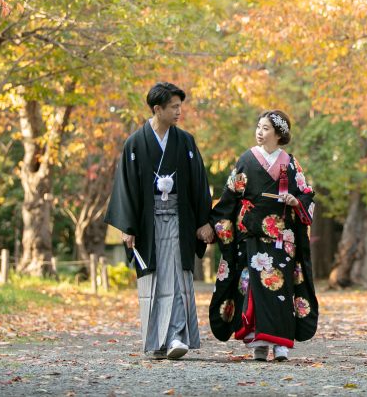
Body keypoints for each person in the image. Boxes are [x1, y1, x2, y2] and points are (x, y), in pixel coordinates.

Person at [104, 82, 214, 359]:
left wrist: (204, 221)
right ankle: (157, 342)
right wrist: (127, 227)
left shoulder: (185, 141)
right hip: (148, 224)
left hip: (180, 219)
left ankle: (177, 337)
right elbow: (125, 187)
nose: (179, 111)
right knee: (154, 279)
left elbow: (200, 183)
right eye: (174, 107)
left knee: (177, 276)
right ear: (157, 109)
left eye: (180, 106)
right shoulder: (135, 143)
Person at [208, 110, 318, 361]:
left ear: (279, 134)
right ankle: (258, 341)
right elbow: (229, 197)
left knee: (281, 289)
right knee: (253, 288)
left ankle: (281, 345)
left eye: (266, 128)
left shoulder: (290, 163)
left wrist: (294, 201)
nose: (259, 132)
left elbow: (306, 193)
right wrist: (216, 224)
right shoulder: (246, 159)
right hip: (251, 235)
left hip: (281, 238)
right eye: (258, 127)